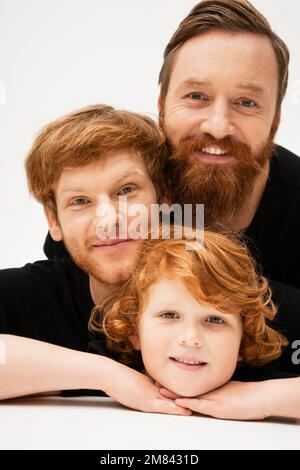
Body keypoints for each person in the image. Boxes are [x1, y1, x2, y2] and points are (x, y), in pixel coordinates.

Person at [0, 104, 193, 416]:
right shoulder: (27, 295)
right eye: (80, 201)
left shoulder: (221, 293)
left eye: (126, 190)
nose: (108, 219)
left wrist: (256, 397)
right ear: (54, 221)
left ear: (164, 199)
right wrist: (103, 374)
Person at [157, 0, 300, 290]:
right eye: (197, 96)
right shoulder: (119, 188)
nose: (218, 127)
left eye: (246, 103)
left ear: (275, 119)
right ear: (161, 105)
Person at [89, 229, 300, 420]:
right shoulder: (114, 375)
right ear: (134, 332)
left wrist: (264, 398)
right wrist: (106, 376)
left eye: (215, 319)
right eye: (169, 315)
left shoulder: (257, 384)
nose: (191, 339)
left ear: (243, 342)